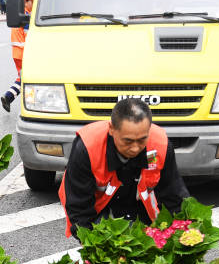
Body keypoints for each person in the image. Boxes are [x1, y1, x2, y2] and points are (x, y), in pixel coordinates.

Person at [58, 98, 189, 240]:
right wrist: (93, 245)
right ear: (111, 129)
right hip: (101, 210)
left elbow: (173, 195)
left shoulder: (160, 145)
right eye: (128, 141)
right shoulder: (87, 147)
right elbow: (79, 209)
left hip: (140, 211)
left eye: (141, 140)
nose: (135, 148)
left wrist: (184, 233)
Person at [0, 0, 33, 112]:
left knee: (23, 77)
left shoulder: (20, 14)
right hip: (24, 53)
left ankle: (8, 97)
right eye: (32, 2)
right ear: (26, 2)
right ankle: (30, 104)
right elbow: (30, 37)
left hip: (17, 52)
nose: (34, 5)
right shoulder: (26, 17)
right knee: (30, 78)